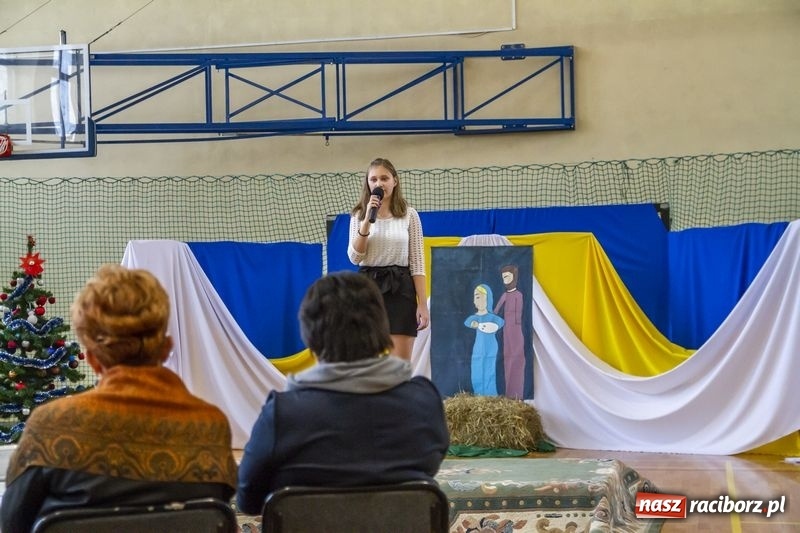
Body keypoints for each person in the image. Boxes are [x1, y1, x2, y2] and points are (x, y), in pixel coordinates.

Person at [0, 264, 238, 533]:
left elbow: (13, 524)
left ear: (92, 359)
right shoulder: (211, 426)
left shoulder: (52, 425)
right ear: (166, 348)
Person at [236, 271, 449, 515]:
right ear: (382, 327)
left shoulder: (282, 414)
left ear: (309, 336)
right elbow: (429, 466)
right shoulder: (424, 402)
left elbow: (248, 501)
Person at [347, 157, 429, 361]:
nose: (379, 183)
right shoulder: (359, 215)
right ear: (367, 183)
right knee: (365, 360)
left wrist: (422, 304)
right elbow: (355, 257)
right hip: (368, 288)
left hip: (400, 287)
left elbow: (417, 263)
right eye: (373, 179)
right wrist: (366, 221)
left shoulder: (409, 215)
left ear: (395, 181)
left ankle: (399, 393)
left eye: (384, 178)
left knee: (400, 364)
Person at [464, 283, 504, 396]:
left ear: (487, 299)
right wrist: (475, 324)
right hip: (477, 348)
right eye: (475, 297)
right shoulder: (473, 318)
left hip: (491, 347)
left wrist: (481, 325)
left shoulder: (494, 318)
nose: (475, 300)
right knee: (477, 369)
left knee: (489, 370)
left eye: (478, 297)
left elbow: (498, 324)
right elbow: (468, 323)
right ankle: (479, 394)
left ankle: (491, 395)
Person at [494, 264, 526, 399]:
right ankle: (509, 392)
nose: (505, 280)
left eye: (507, 277)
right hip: (507, 330)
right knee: (508, 360)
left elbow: (519, 315)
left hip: (517, 331)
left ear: (514, 277)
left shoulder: (519, 295)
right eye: (503, 277)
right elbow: (496, 310)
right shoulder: (505, 295)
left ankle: (518, 392)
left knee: (518, 359)